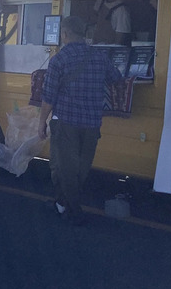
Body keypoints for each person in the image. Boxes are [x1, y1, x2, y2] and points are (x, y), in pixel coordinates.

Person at [38, 16, 123, 225]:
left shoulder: (58, 60)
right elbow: (117, 79)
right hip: (92, 124)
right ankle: (60, 204)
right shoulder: (100, 56)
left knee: (63, 168)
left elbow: (49, 98)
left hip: (66, 122)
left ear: (65, 34)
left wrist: (41, 121)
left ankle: (74, 210)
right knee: (80, 169)